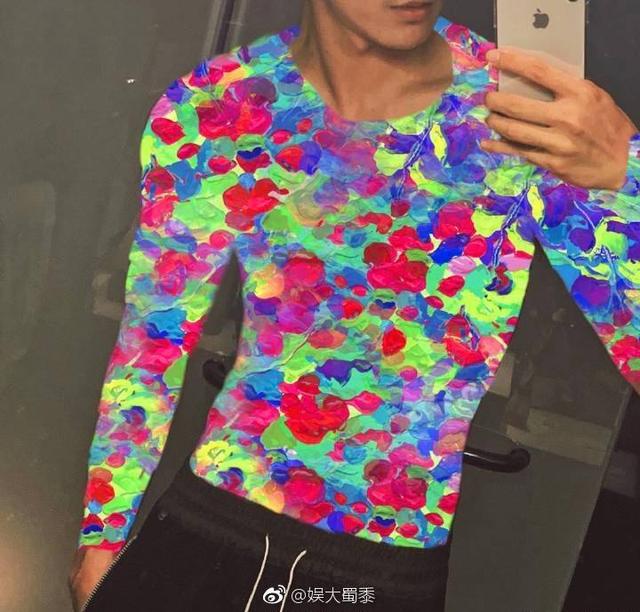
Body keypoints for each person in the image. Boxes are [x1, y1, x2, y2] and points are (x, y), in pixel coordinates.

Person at [68, 1, 640, 610]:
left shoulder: (520, 116)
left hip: (377, 571)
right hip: (203, 526)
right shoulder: (219, 104)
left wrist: (625, 173)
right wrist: (102, 534)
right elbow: (151, 344)